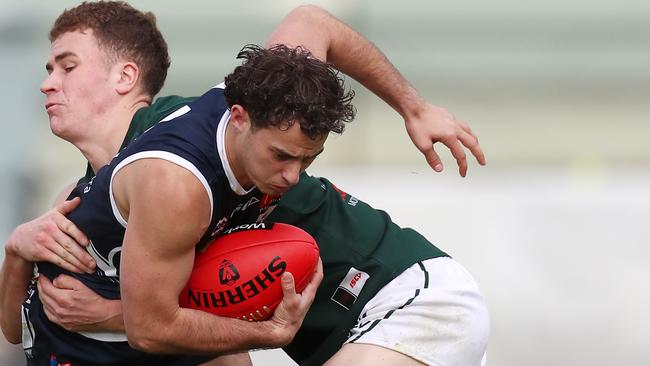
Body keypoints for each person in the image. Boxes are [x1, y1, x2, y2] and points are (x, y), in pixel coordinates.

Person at [0, 2, 488, 365]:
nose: (47, 82)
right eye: (48, 68)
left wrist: (414, 107)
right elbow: (188, 327)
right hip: (345, 337)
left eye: (67, 66)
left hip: (407, 297)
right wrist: (17, 250)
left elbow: (312, 23)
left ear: (125, 77)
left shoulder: (205, 128)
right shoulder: (89, 199)